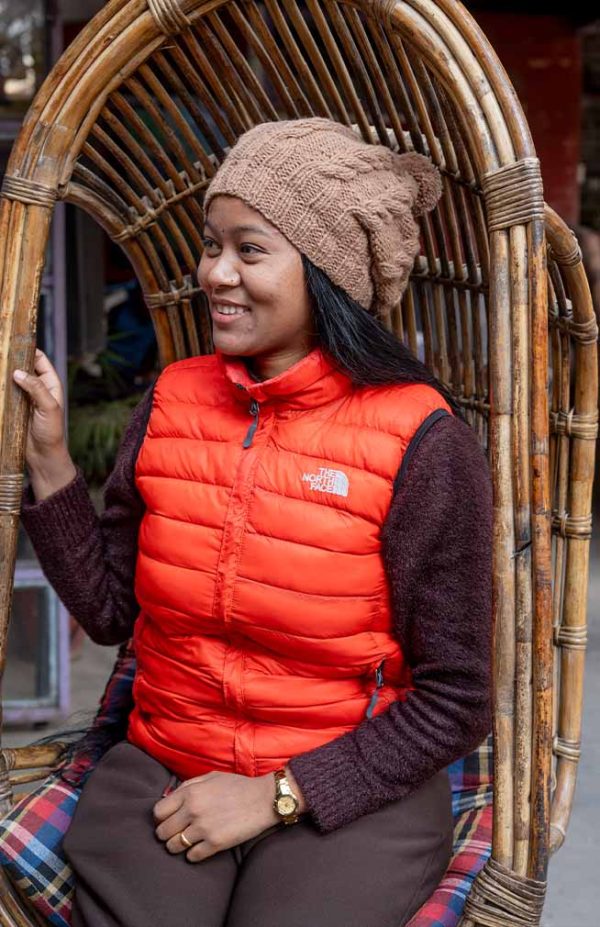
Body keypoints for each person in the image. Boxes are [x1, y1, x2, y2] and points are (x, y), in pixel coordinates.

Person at [14, 118, 492, 927]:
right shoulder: (174, 399)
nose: (215, 272)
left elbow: (458, 698)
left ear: (326, 273)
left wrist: (279, 792)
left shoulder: (421, 440)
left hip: (350, 786)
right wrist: (52, 461)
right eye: (211, 245)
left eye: (250, 249)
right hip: (167, 759)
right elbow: (111, 614)